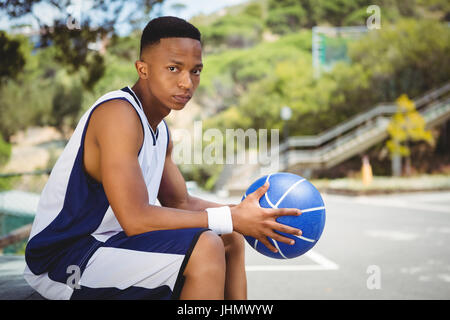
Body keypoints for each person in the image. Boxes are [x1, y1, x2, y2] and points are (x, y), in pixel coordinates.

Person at [23, 16, 302, 300]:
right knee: (206, 246)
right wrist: (231, 216)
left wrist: (244, 213)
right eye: (173, 68)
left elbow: (180, 202)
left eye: (196, 71)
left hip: (112, 245)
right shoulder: (118, 115)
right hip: (64, 259)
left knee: (230, 237)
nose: (187, 82)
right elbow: (136, 218)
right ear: (142, 69)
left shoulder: (160, 130)